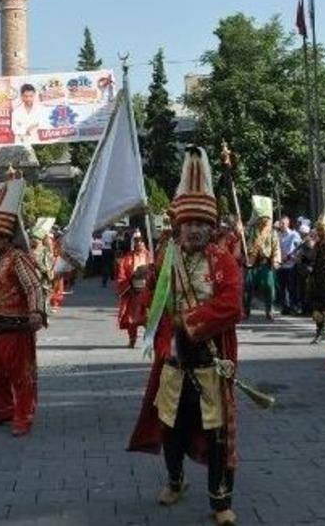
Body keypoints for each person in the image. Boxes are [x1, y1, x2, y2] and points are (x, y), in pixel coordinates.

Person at [128, 147, 241, 526]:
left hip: (211, 361)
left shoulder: (222, 260)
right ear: (177, 225)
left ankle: (220, 501)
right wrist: (146, 302)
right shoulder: (165, 256)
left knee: (216, 434)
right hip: (173, 363)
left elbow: (231, 305)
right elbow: (149, 302)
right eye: (188, 222)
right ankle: (175, 480)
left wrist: (187, 321)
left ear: (211, 227)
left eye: (200, 223)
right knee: (170, 428)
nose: (193, 229)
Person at [0, 179, 44, 437]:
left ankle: (24, 417)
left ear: (6, 238)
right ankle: (5, 411)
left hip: (17, 327)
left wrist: (36, 311)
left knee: (21, 374)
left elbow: (33, 286)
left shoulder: (17, 258)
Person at [115, 231, 149, 348]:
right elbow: (121, 275)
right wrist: (128, 286)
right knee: (132, 319)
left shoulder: (151, 257)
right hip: (133, 292)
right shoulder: (127, 258)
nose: (139, 244)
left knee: (149, 318)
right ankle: (132, 339)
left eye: (141, 242)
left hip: (148, 292)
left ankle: (150, 340)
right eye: (136, 242)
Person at [244, 215, 279, 320]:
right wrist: (241, 229)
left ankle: (269, 309)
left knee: (269, 285)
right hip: (252, 262)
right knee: (248, 285)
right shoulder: (252, 230)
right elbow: (243, 236)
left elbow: (275, 246)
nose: (264, 220)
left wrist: (276, 259)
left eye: (266, 218)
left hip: (265, 262)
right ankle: (246, 309)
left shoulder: (272, 232)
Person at [276, 216, 302, 315]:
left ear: (288, 223)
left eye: (283, 223)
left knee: (291, 288)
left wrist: (292, 257)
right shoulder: (278, 235)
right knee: (281, 288)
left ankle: (292, 306)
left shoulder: (294, 235)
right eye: (280, 223)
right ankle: (284, 307)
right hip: (281, 265)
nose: (281, 225)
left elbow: (298, 249)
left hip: (291, 265)